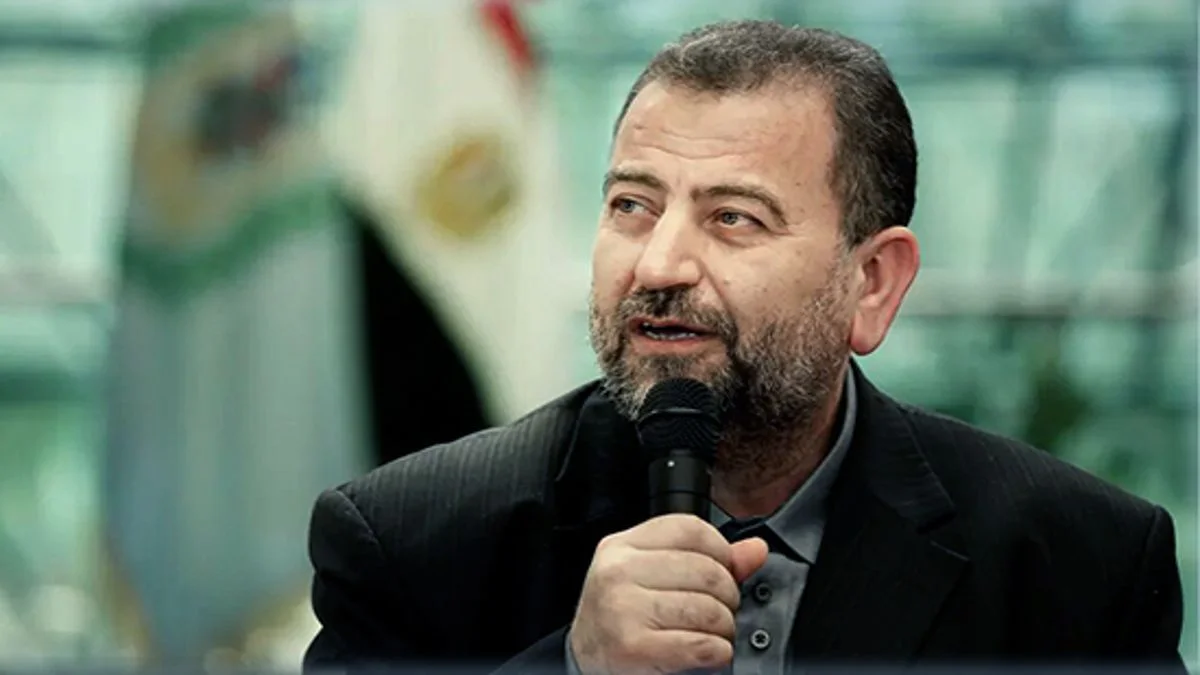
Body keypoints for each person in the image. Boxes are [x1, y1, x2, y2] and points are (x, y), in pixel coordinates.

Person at [303, 20, 1185, 673]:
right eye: (632, 206)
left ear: (872, 284)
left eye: (733, 218)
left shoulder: (1076, 563)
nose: (659, 264)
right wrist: (573, 666)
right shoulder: (413, 542)